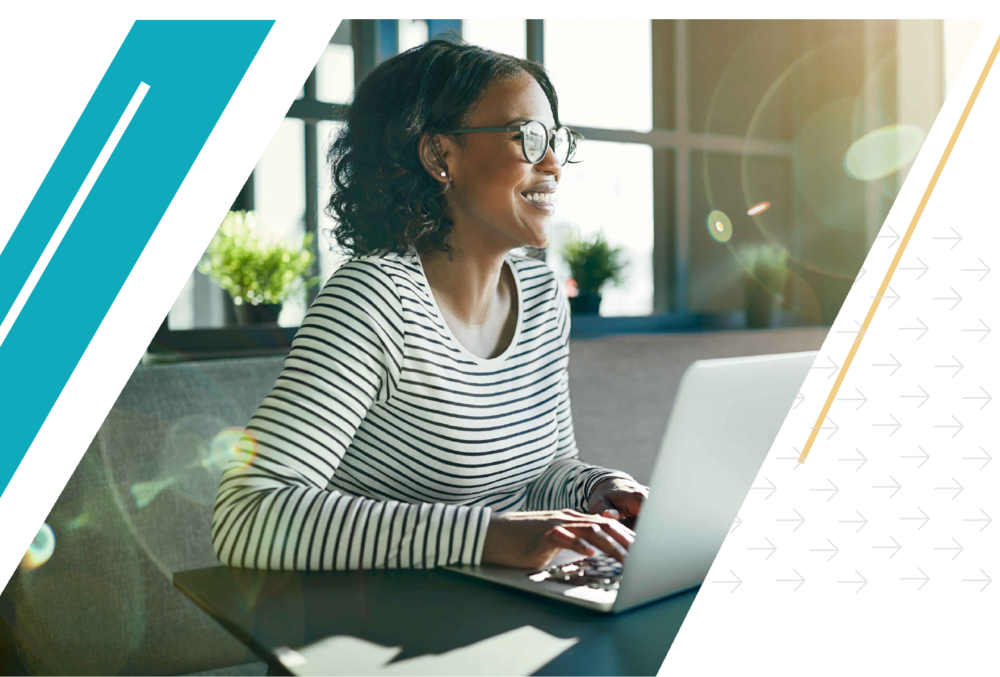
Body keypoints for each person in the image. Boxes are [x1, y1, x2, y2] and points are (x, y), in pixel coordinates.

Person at [211, 35, 650, 573]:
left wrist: (598, 489)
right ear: (441, 155)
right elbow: (247, 514)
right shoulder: (372, 301)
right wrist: (487, 536)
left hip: (502, 608)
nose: (554, 164)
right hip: (375, 627)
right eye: (530, 138)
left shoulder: (540, 298)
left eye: (556, 139)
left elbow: (543, 470)